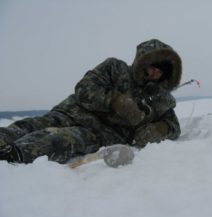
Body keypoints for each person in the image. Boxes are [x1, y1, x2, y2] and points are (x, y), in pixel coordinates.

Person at [0, 39, 182, 164]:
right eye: (153, 66)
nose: (156, 73)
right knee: (28, 126)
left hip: (100, 135)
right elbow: (84, 89)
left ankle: (11, 155)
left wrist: (157, 129)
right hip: (70, 113)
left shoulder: (161, 99)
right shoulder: (114, 67)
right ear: (142, 61)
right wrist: (115, 101)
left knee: (60, 141)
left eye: (162, 71)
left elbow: (173, 126)